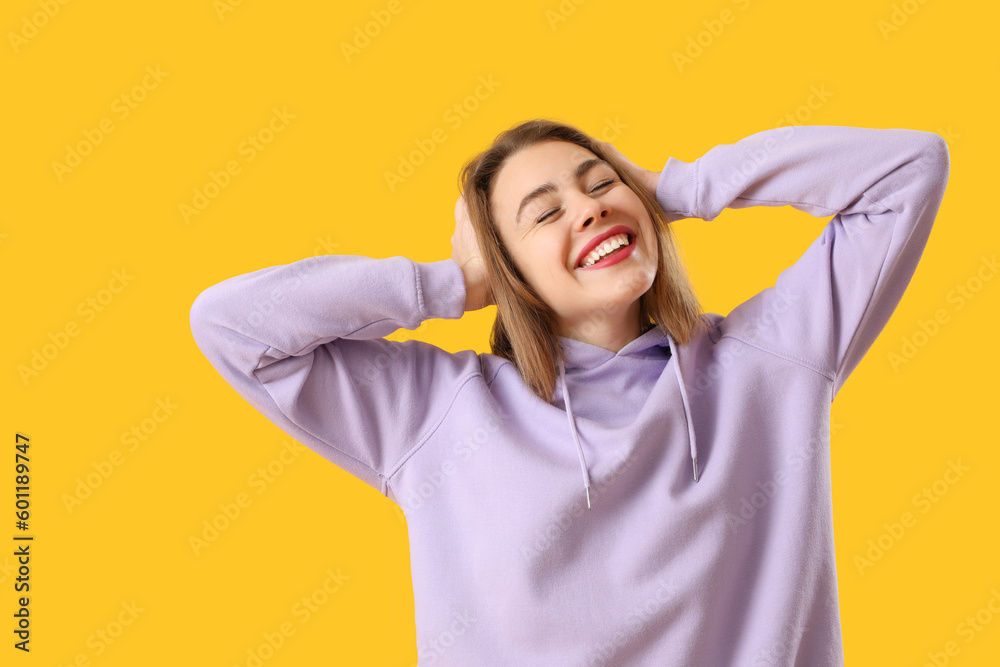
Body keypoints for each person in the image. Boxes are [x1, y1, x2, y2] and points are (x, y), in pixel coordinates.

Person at [189, 119, 950, 666]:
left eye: (603, 184)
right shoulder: (437, 414)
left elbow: (910, 167)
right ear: (508, 271)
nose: (589, 208)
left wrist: (680, 186)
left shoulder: (768, 363)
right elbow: (232, 327)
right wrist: (448, 283)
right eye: (545, 213)